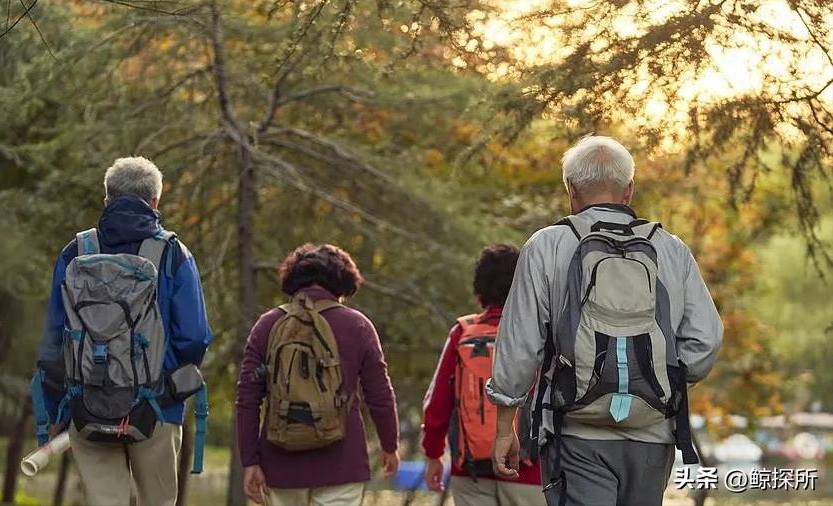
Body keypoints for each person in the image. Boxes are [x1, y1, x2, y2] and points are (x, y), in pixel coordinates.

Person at [487, 135, 723, 506]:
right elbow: (705, 340)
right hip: (651, 434)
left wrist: (505, 429)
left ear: (571, 189)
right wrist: (658, 382)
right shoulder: (670, 249)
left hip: (576, 431)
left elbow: (519, 346)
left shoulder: (546, 246)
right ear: (628, 190)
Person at [34, 157, 214, 506]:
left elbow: (53, 337)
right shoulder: (173, 253)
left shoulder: (77, 251)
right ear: (155, 202)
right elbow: (194, 336)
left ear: (106, 199)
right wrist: (169, 386)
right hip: (157, 405)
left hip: (87, 401)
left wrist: (57, 407)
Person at [236, 243, 400, 506]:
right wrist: (389, 445)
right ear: (343, 283)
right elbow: (379, 395)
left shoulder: (267, 325)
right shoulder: (357, 326)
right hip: (342, 464)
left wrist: (250, 460)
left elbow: (247, 399)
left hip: (280, 465)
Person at [422, 244, 546, 506]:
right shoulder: (540, 334)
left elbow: (437, 405)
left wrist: (432, 454)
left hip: (470, 471)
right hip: (530, 471)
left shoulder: (462, 333)